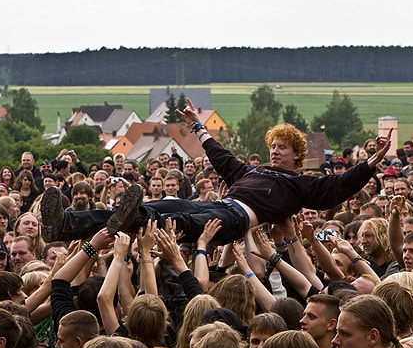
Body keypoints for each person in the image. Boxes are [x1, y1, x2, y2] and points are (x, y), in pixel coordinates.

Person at [41, 103, 393, 245]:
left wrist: (372, 161)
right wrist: (197, 126)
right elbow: (220, 155)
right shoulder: (252, 171)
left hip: (235, 220)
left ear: (297, 155)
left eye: (283, 147)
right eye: (273, 145)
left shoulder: (302, 185)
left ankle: (137, 216)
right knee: (164, 205)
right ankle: (64, 224)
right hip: (218, 204)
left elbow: (338, 187)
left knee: (179, 218)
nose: (275, 151)